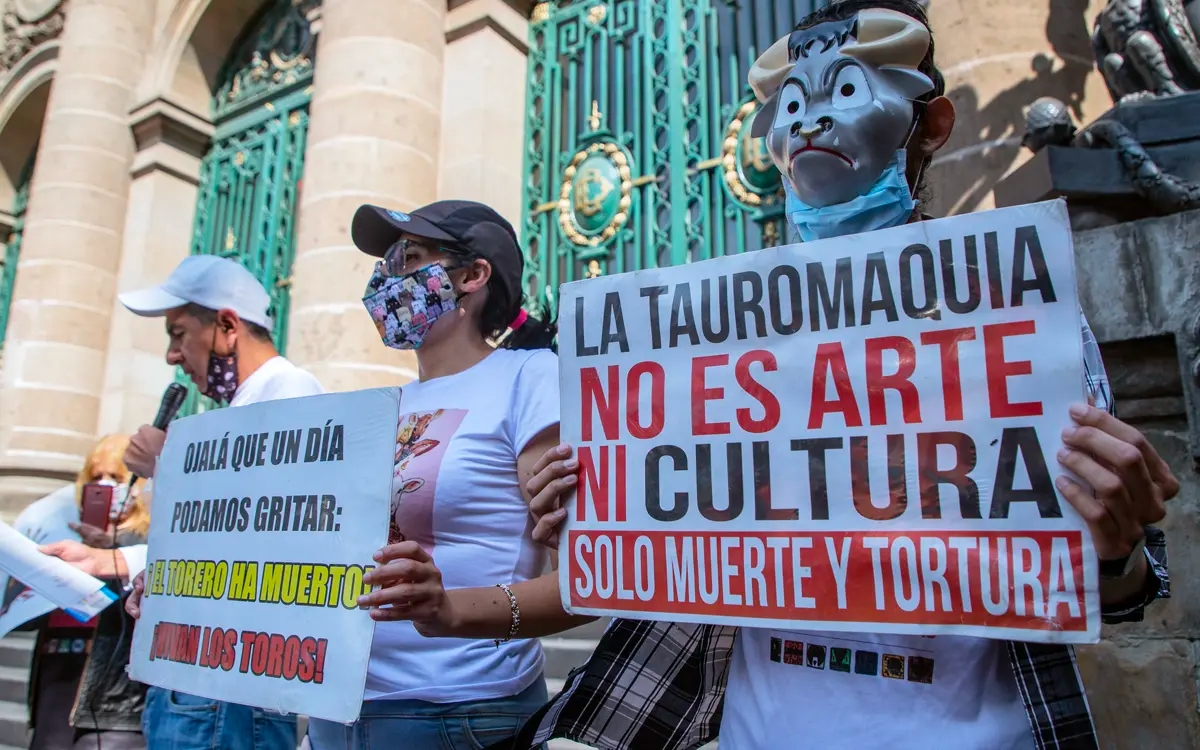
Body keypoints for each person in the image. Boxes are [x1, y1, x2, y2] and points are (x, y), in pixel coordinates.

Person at [358, 2, 1180, 749]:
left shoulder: (1020, 319)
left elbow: (1125, 584)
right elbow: (642, 570)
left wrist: (1114, 551)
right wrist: (598, 512)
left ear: (929, 125)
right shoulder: (705, 349)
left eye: (847, 91)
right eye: (791, 104)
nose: (813, 122)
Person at [301, 199, 558, 750]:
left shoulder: (530, 376)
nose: (386, 275)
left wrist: (448, 611)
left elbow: (593, 580)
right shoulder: (379, 406)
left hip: (457, 713)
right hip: (338, 706)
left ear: (472, 275)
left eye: (408, 256)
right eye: (387, 259)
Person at [41, 254, 323, 750]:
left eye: (178, 334)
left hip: (229, 689)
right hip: (196, 681)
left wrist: (168, 464)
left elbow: (276, 531)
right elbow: (213, 540)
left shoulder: (289, 390)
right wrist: (115, 561)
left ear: (227, 326)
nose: (173, 356)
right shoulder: (242, 406)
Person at [22, 434, 149, 750]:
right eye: (96, 477)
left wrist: (113, 551)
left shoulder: (149, 535)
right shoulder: (61, 524)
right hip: (57, 663)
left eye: (115, 477)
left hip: (111, 685)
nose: (105, 485)